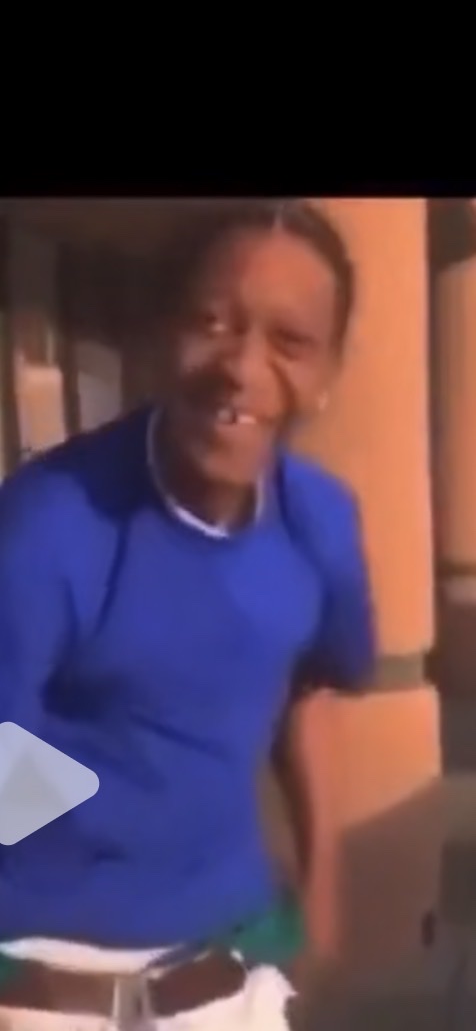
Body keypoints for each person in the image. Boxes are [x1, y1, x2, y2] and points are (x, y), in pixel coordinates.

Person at [0, 199, 375, 1029]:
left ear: (326, 374)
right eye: (212, 323)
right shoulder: (48, 525)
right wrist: (108, 814)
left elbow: (305, 681)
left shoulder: (321, 521)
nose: (240, 366)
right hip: (50, 990)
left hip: (231, 982)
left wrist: (322, 883)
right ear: (162, 337)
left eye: (289, 342)